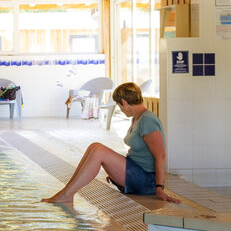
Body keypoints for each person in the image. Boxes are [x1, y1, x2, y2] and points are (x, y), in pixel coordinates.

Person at [43, 81, 179, 205]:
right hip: (135, 172)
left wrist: (159, 188)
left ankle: (67, 194)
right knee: (94, 146)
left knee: (99, 152)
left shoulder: (148, 120)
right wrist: (115, 168)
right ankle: (66, 191)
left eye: (119, 105)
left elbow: (160, 155)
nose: (120, 109)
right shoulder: (137, 118)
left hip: (147, 181)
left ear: (124, 102)